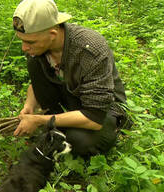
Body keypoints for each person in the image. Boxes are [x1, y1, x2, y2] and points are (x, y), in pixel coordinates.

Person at [12, 0, 129, 157]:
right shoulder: (38, 47)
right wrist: (29, 105)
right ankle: (58, 122)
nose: (24, 47)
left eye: (29, 41)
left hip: (102, 109)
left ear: (52, 34)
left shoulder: (89, 50)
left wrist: (40, 120)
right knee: (34, 62)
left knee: (80, 142)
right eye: (22, 40)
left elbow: (94, 117)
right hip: (71, 95)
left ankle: (112, 128)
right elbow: (37, 82)